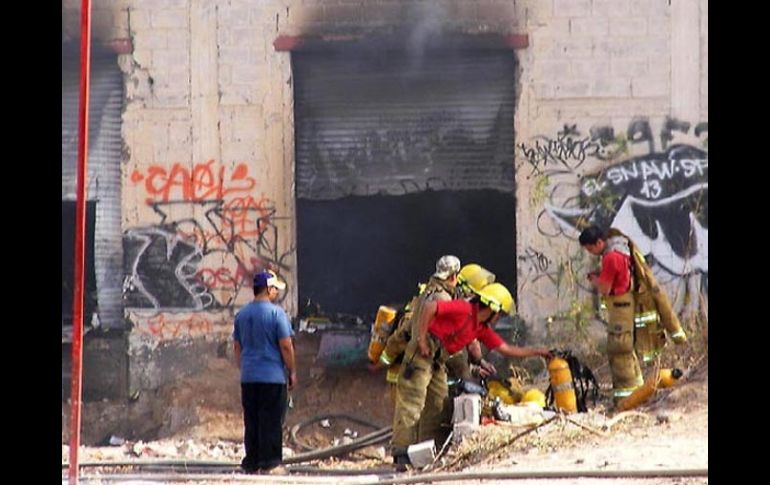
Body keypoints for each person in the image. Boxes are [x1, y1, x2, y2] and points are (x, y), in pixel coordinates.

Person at [390, 281, 551, 466]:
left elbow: (507, 349)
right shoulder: (463, 308)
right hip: (420, 356)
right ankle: (400, 454)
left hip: (437, 361)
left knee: (438, 406)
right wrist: (422, 339)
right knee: (412, 403)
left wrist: (539, 351)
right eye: (499, 314)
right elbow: (429, 307)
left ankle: (430, 453)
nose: (499, 319)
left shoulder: (480, 328)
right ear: (492, 308)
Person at [579, 226, 687, 403]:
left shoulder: (611, 257)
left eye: (591, 249)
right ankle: (636, 393)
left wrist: (595, 280)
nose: (591, 253)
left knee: (619, 350)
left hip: (620, 308)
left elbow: (606, 288)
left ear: (599, 242)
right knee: (626, 350)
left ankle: (627, 398)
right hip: (625, 306)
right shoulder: (621, 251)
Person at [233, 270, 297, 474]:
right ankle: (270, 463)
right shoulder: (276, 314)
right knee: (270, 419)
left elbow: (237, 347)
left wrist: (245, 368)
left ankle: (251, 461)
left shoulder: (242, 314)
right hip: (272, 378)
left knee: (252, 420)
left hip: (249, 377)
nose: (277, 293)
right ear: (268, 289)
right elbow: (286, 345)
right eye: (275, 289)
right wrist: (292, 371)